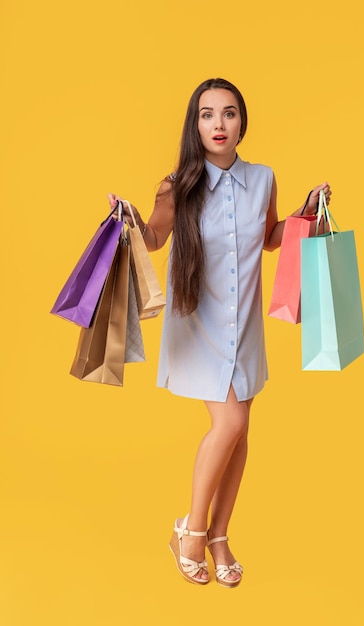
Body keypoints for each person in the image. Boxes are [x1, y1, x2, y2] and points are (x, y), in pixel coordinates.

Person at [108, 77, 331, 587]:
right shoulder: (178, 184)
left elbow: (272, 239)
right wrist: (132, 222)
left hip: (245, 321)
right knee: (229, 423)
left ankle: (219, 536)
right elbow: (157, 236)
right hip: (199, 320)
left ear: (241, 121)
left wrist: (306, 211)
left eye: (228, 113)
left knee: (241, 431)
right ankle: (189, 528)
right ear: (196, 123)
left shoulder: (263, 178)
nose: (219, 124)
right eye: (208, 115)